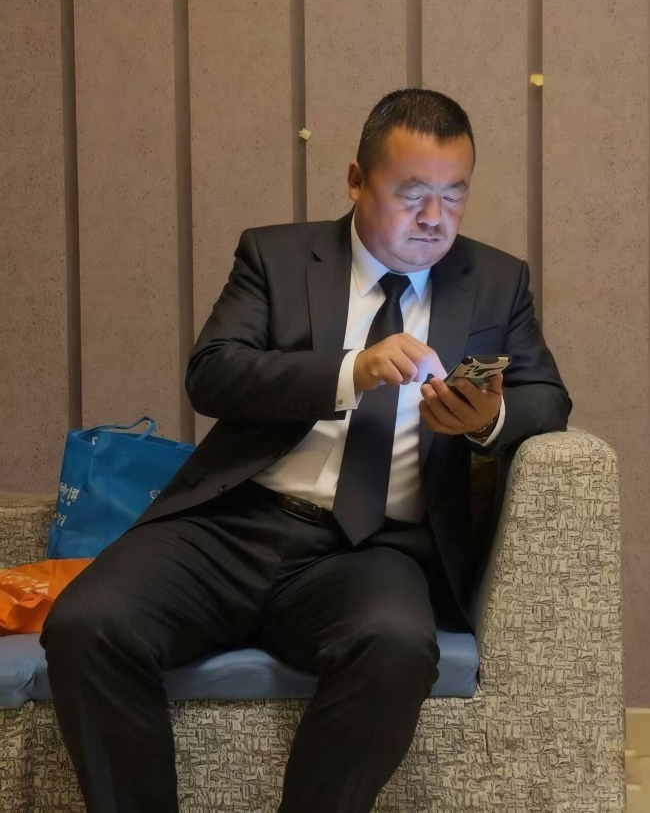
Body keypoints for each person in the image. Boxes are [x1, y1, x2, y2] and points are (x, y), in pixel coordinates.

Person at [41, 88, 571, 813]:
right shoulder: (278, 256)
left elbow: (548, 398)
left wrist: (487, 419)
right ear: (356, 179)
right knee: (87, 623)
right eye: (411, 193)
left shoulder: (496, 281)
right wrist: (350, 370)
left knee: (395, 644)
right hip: (231, 526)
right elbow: (213, 372)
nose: (434, 217)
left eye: (454, 195)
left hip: (371, 549)